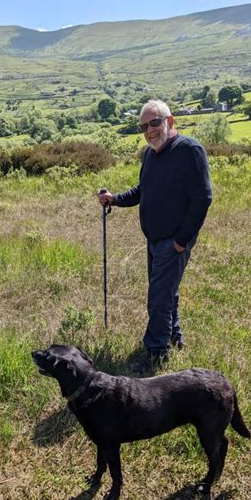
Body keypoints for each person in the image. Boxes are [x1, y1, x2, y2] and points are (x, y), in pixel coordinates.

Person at [98, 99, 212, 374]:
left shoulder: (190, 150)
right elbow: (142, 190)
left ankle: (156, 354)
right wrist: (114, 199)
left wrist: (181, 241)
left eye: (155, 122)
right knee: (167, 292)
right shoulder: (150, 155)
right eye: (144, 126)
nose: (150, 130)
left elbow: (203, 198)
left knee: (158, 297)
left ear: (170, 121)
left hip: (174, 240)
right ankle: (174, 337)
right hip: (155, 239)